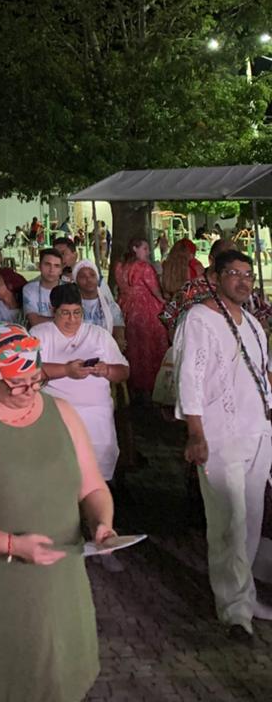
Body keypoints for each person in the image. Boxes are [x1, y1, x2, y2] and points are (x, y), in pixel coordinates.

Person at [0, 323, 114, 702]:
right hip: (0, 574)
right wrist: (13, 545)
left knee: (62, 669)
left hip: (62, 571)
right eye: (16, 384)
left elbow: (93, 487)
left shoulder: (62, 413)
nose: (29, 390)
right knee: (10, 675)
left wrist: (102, 523)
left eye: (35, 380)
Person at [176, 249, 272, 640]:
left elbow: (263, 376)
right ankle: (234, 610)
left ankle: (244, 596)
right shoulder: (199, 318)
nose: (243, 281)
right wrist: (196, 433)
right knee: (228, 523)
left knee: (250, 521)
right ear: (215, 278)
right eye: (234, 273)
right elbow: (190, 378)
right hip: (220, 435)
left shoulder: (253, 323)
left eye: (248, 274)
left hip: (257, 433)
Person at [36, 285, 130, 482]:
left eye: (77, 313)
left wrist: (107, 370)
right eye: (65, 313)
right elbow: (29, 372)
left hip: (96, 412)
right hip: (55, 412)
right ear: (53, 311)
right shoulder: (40, 334)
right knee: (56, 471)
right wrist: (66, 370)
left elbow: (123, 371)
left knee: (95, 472)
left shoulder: (99, 335)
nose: (72, 319)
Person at [114, 237, 168, 398]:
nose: (148, 251)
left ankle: (131, 383)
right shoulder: (144, 267)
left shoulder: (119, 266)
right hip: (145, 307)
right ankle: (150, 385)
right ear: (135, 249)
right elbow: (154, 289)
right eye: (145, 248)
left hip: (125, 306)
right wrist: (163, 301)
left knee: (131, 346)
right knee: (149, 346)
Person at [73, 259, 125, 347]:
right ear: (76, 281)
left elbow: (118, 331)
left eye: (92, 275)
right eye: (82, 276)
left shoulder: (111, 306)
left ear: (97, 279)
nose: (89, 279)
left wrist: (118, 342)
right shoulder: (70, 306)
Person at [23, 248, 64, 326]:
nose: (51, 270)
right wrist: (62, 320)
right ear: (39, 266)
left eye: (56, 266)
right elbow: (34, 321)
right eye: (47, 264)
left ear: (61, 270)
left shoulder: (69, 289)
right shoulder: (29, 289)